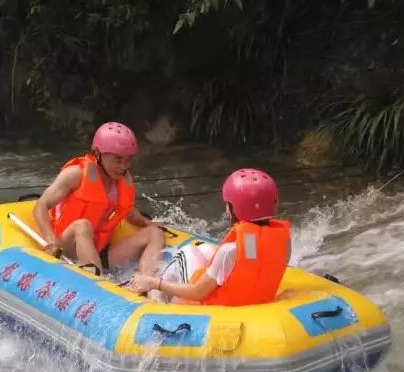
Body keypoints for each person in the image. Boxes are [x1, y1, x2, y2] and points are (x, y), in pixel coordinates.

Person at [130, 168, 291, 305]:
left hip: (213, 307)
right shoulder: (285, 242)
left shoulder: (229, 251)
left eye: (228, 204)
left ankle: (154, 297)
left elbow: (198, 292)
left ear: (235, 208)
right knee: (205, 249)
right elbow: (252, 259)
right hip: (255, 300)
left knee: (186, 252)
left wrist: (155, 283)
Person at [32, 122, 164, 277]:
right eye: (118, 160)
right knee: (83, 226)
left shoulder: (120, 181)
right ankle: (99, 283)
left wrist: (147, 223)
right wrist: (50, 238)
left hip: (99, 250)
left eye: (128, 160)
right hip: (67, 247)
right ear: (98, 154)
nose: (124, 166)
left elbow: (129, 211)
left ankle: (147, 282)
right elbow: (41, 205)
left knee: (155, 233)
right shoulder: (75, 174)